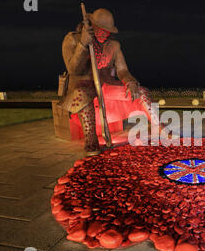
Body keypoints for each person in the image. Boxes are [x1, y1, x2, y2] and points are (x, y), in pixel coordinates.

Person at [60, 8, 156, 156]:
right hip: (83, 85)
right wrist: (83, 45)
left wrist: (130, 81)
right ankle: (91, 140)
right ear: (91, 25)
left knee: (141, 91)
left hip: (107, 84)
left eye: (107, 31)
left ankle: (157, 125)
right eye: (101, 29)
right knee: (81, 96)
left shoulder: (114, 46)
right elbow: (74, 70)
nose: (104, 34)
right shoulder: (72, 39)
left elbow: (122, 70)